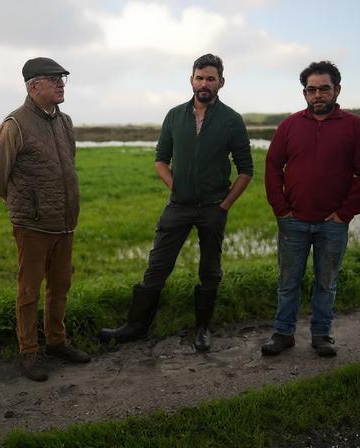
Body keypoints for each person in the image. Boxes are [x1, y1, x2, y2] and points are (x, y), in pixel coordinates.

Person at [98, 54, 254, 352]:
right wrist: (176, 186)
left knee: (210, 269)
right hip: (178, 207)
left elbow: (246, 169)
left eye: (211, 78)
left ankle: (203, 329)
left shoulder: (232, 120)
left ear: (221, 82)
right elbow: (160, 160)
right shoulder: (174, 115)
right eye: (199, 77)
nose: (204, 83)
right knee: (157, 265)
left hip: (213, 208)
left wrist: (225, 206)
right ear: (191, 80)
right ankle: (136, 326)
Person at [262, 61, 360, 358]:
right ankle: (283, 334)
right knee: (288, 282)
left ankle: (321, 335)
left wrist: (344, 214)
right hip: (293, 222)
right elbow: (273, 166)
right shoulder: (289, 125)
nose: (317, 95)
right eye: (311, 90)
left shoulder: (355, 127)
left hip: (333, 223)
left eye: (324, 89)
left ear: (336, 90)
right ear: (304, 93)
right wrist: (281, 209)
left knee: (326, 282)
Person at [0, 57, 90, 383]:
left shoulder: (65, 122)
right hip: (32, 224)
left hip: (64, 220)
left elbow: (67, 163)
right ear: (34, 86)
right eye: (54, 79)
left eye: (63, 79)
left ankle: (57, 342)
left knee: (60, 285)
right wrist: (24, 205)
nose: (61, 84)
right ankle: (29, 352)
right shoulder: (14, 125)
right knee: (29, 290)